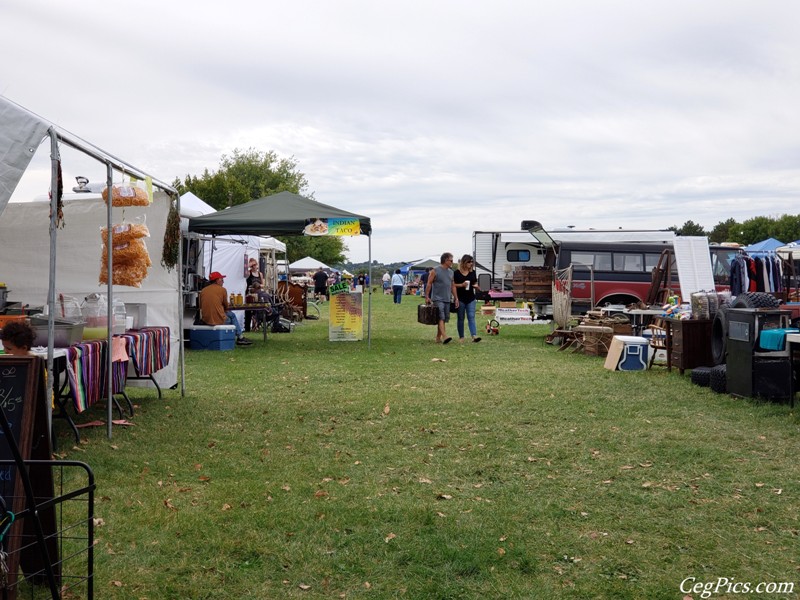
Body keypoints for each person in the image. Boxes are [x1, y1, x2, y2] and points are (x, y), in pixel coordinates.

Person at [198, 271, 252, 346]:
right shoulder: (222, 290)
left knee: (230, 315)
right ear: (217, 280)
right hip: (218, 320)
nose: (223, 281)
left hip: (205, 319)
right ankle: (240, 337)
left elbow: (200, 306)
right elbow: (226, 307)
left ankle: (239, 337)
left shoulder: (203, 291)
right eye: (221, 279)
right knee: (231, 317)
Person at [425, 253, 458, 344]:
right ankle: (445, 336)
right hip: (437, 298)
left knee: (444, 319)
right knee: (441, 317)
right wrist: (427, 296)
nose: (452, 262)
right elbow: (429, 283)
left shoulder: (451, 272)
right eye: (451, 260)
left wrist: (456, 298)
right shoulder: (435, 270)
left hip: (447, 298)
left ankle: (438, 337)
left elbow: (453, 286)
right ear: (445, 260)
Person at [454, 254, 481, 343]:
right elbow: (453, 285)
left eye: (472, 262)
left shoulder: (473, 272)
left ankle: (474, 335)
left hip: (471, 298)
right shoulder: (456, 273)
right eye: (469, 262)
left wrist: (476, 286)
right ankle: (461, 337)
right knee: (461, 318)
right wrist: (461, 285)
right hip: (460, 298)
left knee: (471, 317)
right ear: (464, 262)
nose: (471, 263)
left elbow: (474, 282)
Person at [244, 258, 265, 333]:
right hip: (250, 294)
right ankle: (247, 328)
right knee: (248, 310)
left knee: (258, 309)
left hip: (258, 293)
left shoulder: (260, 274)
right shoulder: (249, 273)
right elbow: (245, 272)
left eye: (255, 265)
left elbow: (263, 284)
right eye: (252, 265)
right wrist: (250, 264)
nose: (254, 267)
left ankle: (256, 325)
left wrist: (259, 286)